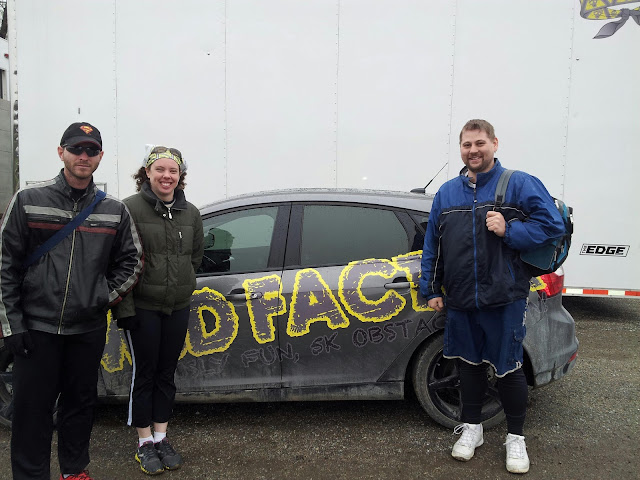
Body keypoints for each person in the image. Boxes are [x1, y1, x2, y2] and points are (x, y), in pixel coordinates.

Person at [419, 119, 564, 474]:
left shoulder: (519, 184)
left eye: (480, 143)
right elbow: (433, 245)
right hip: (461, 299)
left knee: (508, 368)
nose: (473, 151)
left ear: (494, 144)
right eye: (467, 145)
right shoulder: (447, 194)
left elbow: (552, 227)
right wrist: (431, 288)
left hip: (505, 297)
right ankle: (472, 428)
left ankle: (516, 438)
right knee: (467, 365)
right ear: (461, 149)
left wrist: (509, 229)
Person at [0, 122, 144, 480]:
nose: (83, 156)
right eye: (76, 148)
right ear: (61, 152)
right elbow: (5, 265)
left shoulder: (114, 209)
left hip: (87, 329)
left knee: (79, 407)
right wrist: (12, 325)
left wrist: (100, 297)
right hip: (36, 328)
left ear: (100, 156)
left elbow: (133, 261)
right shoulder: (28, 200)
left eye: (91, 150)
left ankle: (74, 470)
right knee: (31, 413)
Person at [112, 145, 203, 475]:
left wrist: (183, 285)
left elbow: (194, 257)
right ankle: (144, 442)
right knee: (145, 374)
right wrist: (125, 309)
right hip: (143, 308)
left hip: (177, 307)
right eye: (160, 169)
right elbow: (118, 263)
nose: (167, 176)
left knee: (166, 373)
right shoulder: (129, 208)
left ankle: (162, 437)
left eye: (173, 171)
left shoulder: (190, 213)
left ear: (180, 176)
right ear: (147, 173)